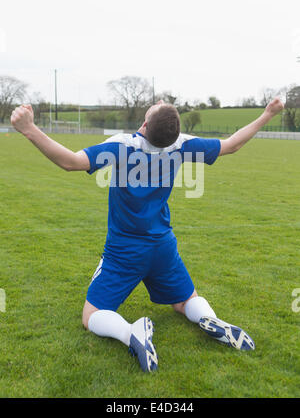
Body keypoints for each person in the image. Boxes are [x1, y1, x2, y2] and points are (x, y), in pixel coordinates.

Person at [11, 97, 284, 372]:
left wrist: (29, 129)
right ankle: (208, 318)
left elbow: (71, 162)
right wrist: (267, 114)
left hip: (124, 250)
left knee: (91, 316)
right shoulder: (181, 144)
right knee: (185, 301)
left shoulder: (123, 145)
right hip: (163, 247)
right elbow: (232, 144)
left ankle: (132, 333)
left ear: (143, 125)